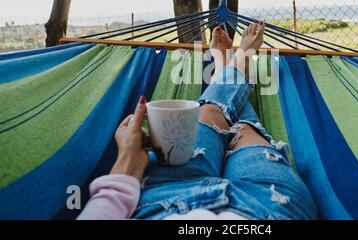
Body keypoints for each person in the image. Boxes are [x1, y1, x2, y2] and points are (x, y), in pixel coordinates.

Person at [77, 23, 318, 220]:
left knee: (213, 113)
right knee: (242, 128)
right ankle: (233, 64)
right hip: (269, 206)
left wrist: (128, 159)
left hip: (160, 201)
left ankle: (225, 68)